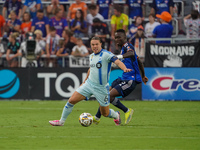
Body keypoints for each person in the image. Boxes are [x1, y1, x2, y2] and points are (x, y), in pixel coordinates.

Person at [49, 36, 132, 126]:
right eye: (92, 44)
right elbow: (91, 69)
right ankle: (61, 121)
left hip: (101, 88)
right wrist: (84, 81)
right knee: (71, 100)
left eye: (96, 44)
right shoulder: (91, 56)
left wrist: (124, 68)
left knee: (105, 113)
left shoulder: (106, 54)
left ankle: (116, 115)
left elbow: (117, 62)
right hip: (89, 84)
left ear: (101, 44)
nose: (94, 46)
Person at [93, 29, 148, 125]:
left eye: (119, 37)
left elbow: (131, 53)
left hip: (130, 79)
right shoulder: (123, 48)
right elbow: (138, 61)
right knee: (105, 94)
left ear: (124, 37)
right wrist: (143, 75)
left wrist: (118, 57)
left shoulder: (128, 46)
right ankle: (97, 117)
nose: (117, 39)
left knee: (108, 96)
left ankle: (127, 111)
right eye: (116, 37)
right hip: (123, 77)